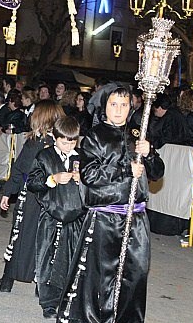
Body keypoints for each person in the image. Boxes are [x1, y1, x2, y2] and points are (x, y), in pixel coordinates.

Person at [57, 85, 164, 322]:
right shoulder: (95, 136)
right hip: (106, 218)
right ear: (104, 106)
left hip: (136, 219)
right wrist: (126, 169)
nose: (119, 110)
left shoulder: (138, 133)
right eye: (113, 104)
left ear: (131, 107)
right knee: (101, 276)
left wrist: (150, 153)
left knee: (135, 274)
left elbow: (157, 172)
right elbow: (90, 175)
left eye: (124, 105)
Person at [0, 100, 66, 293]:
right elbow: (20, 168)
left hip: (44, 195)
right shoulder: (36, 141)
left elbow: (20, 169)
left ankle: (26, 278)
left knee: (35, 237)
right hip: (35, 196)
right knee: (27, 236)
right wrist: (8, 192)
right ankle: (11, 276)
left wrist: (9, 192)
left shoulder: (51, 143)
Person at [26, 116, 85, 319]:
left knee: (71, 260)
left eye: (72, 141)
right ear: (54, 137)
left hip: (77, 217)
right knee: (47, 259)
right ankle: (48, 302)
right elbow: (32, 182)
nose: (68, 146)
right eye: (63, 141)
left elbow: (96, 183)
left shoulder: (82, 158)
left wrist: (82, 181)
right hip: (51, 215)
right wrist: (52, 179)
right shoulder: (45, 156)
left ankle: (67, 299)